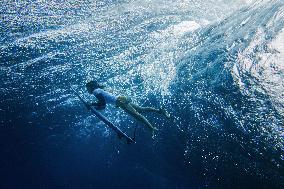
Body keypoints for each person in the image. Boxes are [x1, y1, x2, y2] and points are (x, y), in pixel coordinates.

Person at [86, 80, 170, 137]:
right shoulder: (98, 90)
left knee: (138, 116)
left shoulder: (95, 91)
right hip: (121, 99)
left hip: (121, 102)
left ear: (91, 87)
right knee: (141, 109)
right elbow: (104, 102)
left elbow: (103, 104)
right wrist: (95, 106)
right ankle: (160, 111)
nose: (87, 90)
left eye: (88, 88)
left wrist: (92, 104)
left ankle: (152, 128)